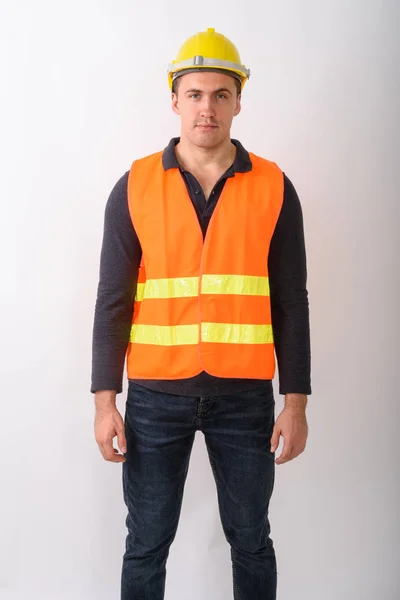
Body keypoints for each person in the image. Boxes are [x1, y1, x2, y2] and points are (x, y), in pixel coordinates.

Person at [91, 27, 311, 600]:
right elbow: (113, 300)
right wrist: (104, 401)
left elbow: (292, 302)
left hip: (244, 399)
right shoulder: (135, 185)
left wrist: (296, 404)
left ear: (239, 101)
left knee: (251, 538)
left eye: (220, 94)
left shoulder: (274, 187)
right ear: (174, 100)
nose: (206, 108)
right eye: (194, 94)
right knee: (146, 542)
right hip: (156, 398)